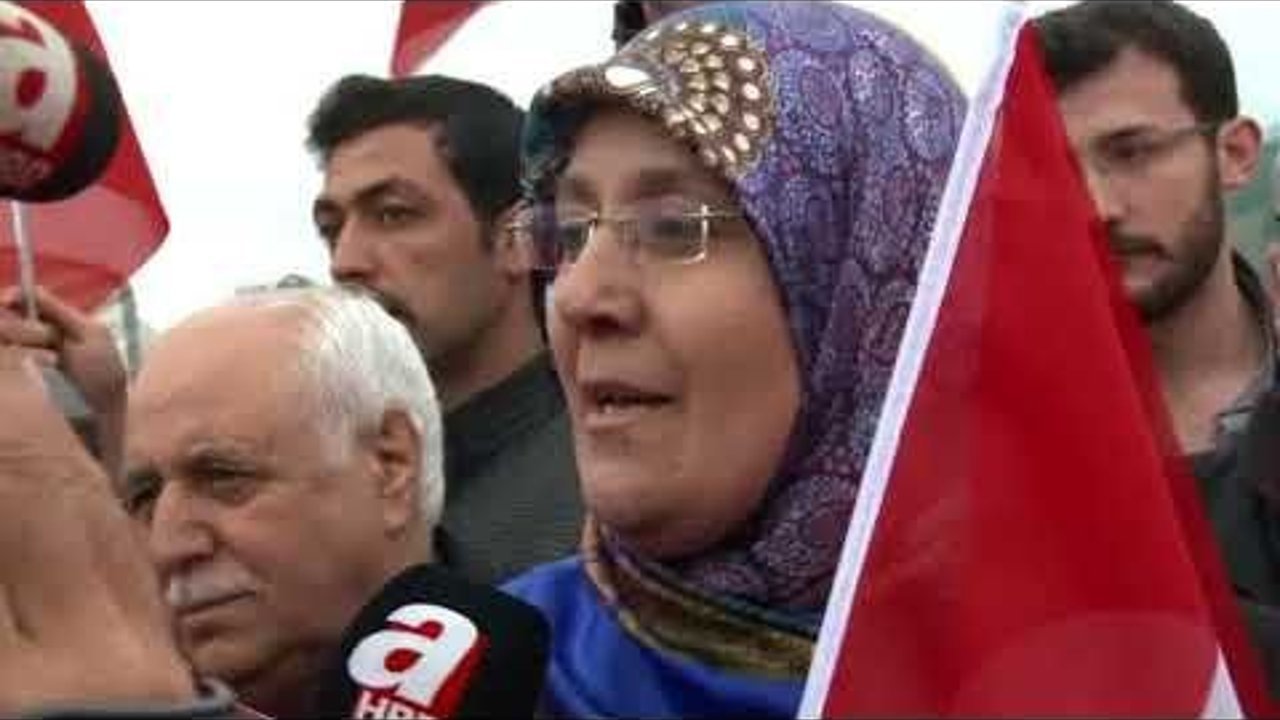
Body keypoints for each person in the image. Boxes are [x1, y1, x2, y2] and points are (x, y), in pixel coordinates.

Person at [502, 1, 965, 716]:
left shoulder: (1090, 670)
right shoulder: (491, 672)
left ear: (879, 289)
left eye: (672, 226)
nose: (581, 296)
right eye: (568, 232)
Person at [1034, 0, 1280, 694]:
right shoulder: (989, 439)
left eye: (1132, 152)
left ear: (1234, 153)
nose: (1095, 206)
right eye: (1051, 167)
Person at [117, 286, 445, 717]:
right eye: (145, 497)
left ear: (390, 465)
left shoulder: (534, 680)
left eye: (222, 476)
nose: (166, 546)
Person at [306, 74, 582, 585]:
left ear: (518, 238)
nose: (345, 261)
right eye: (331, 229)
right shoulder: (328, 482)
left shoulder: (608, 499)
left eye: (393, 215)